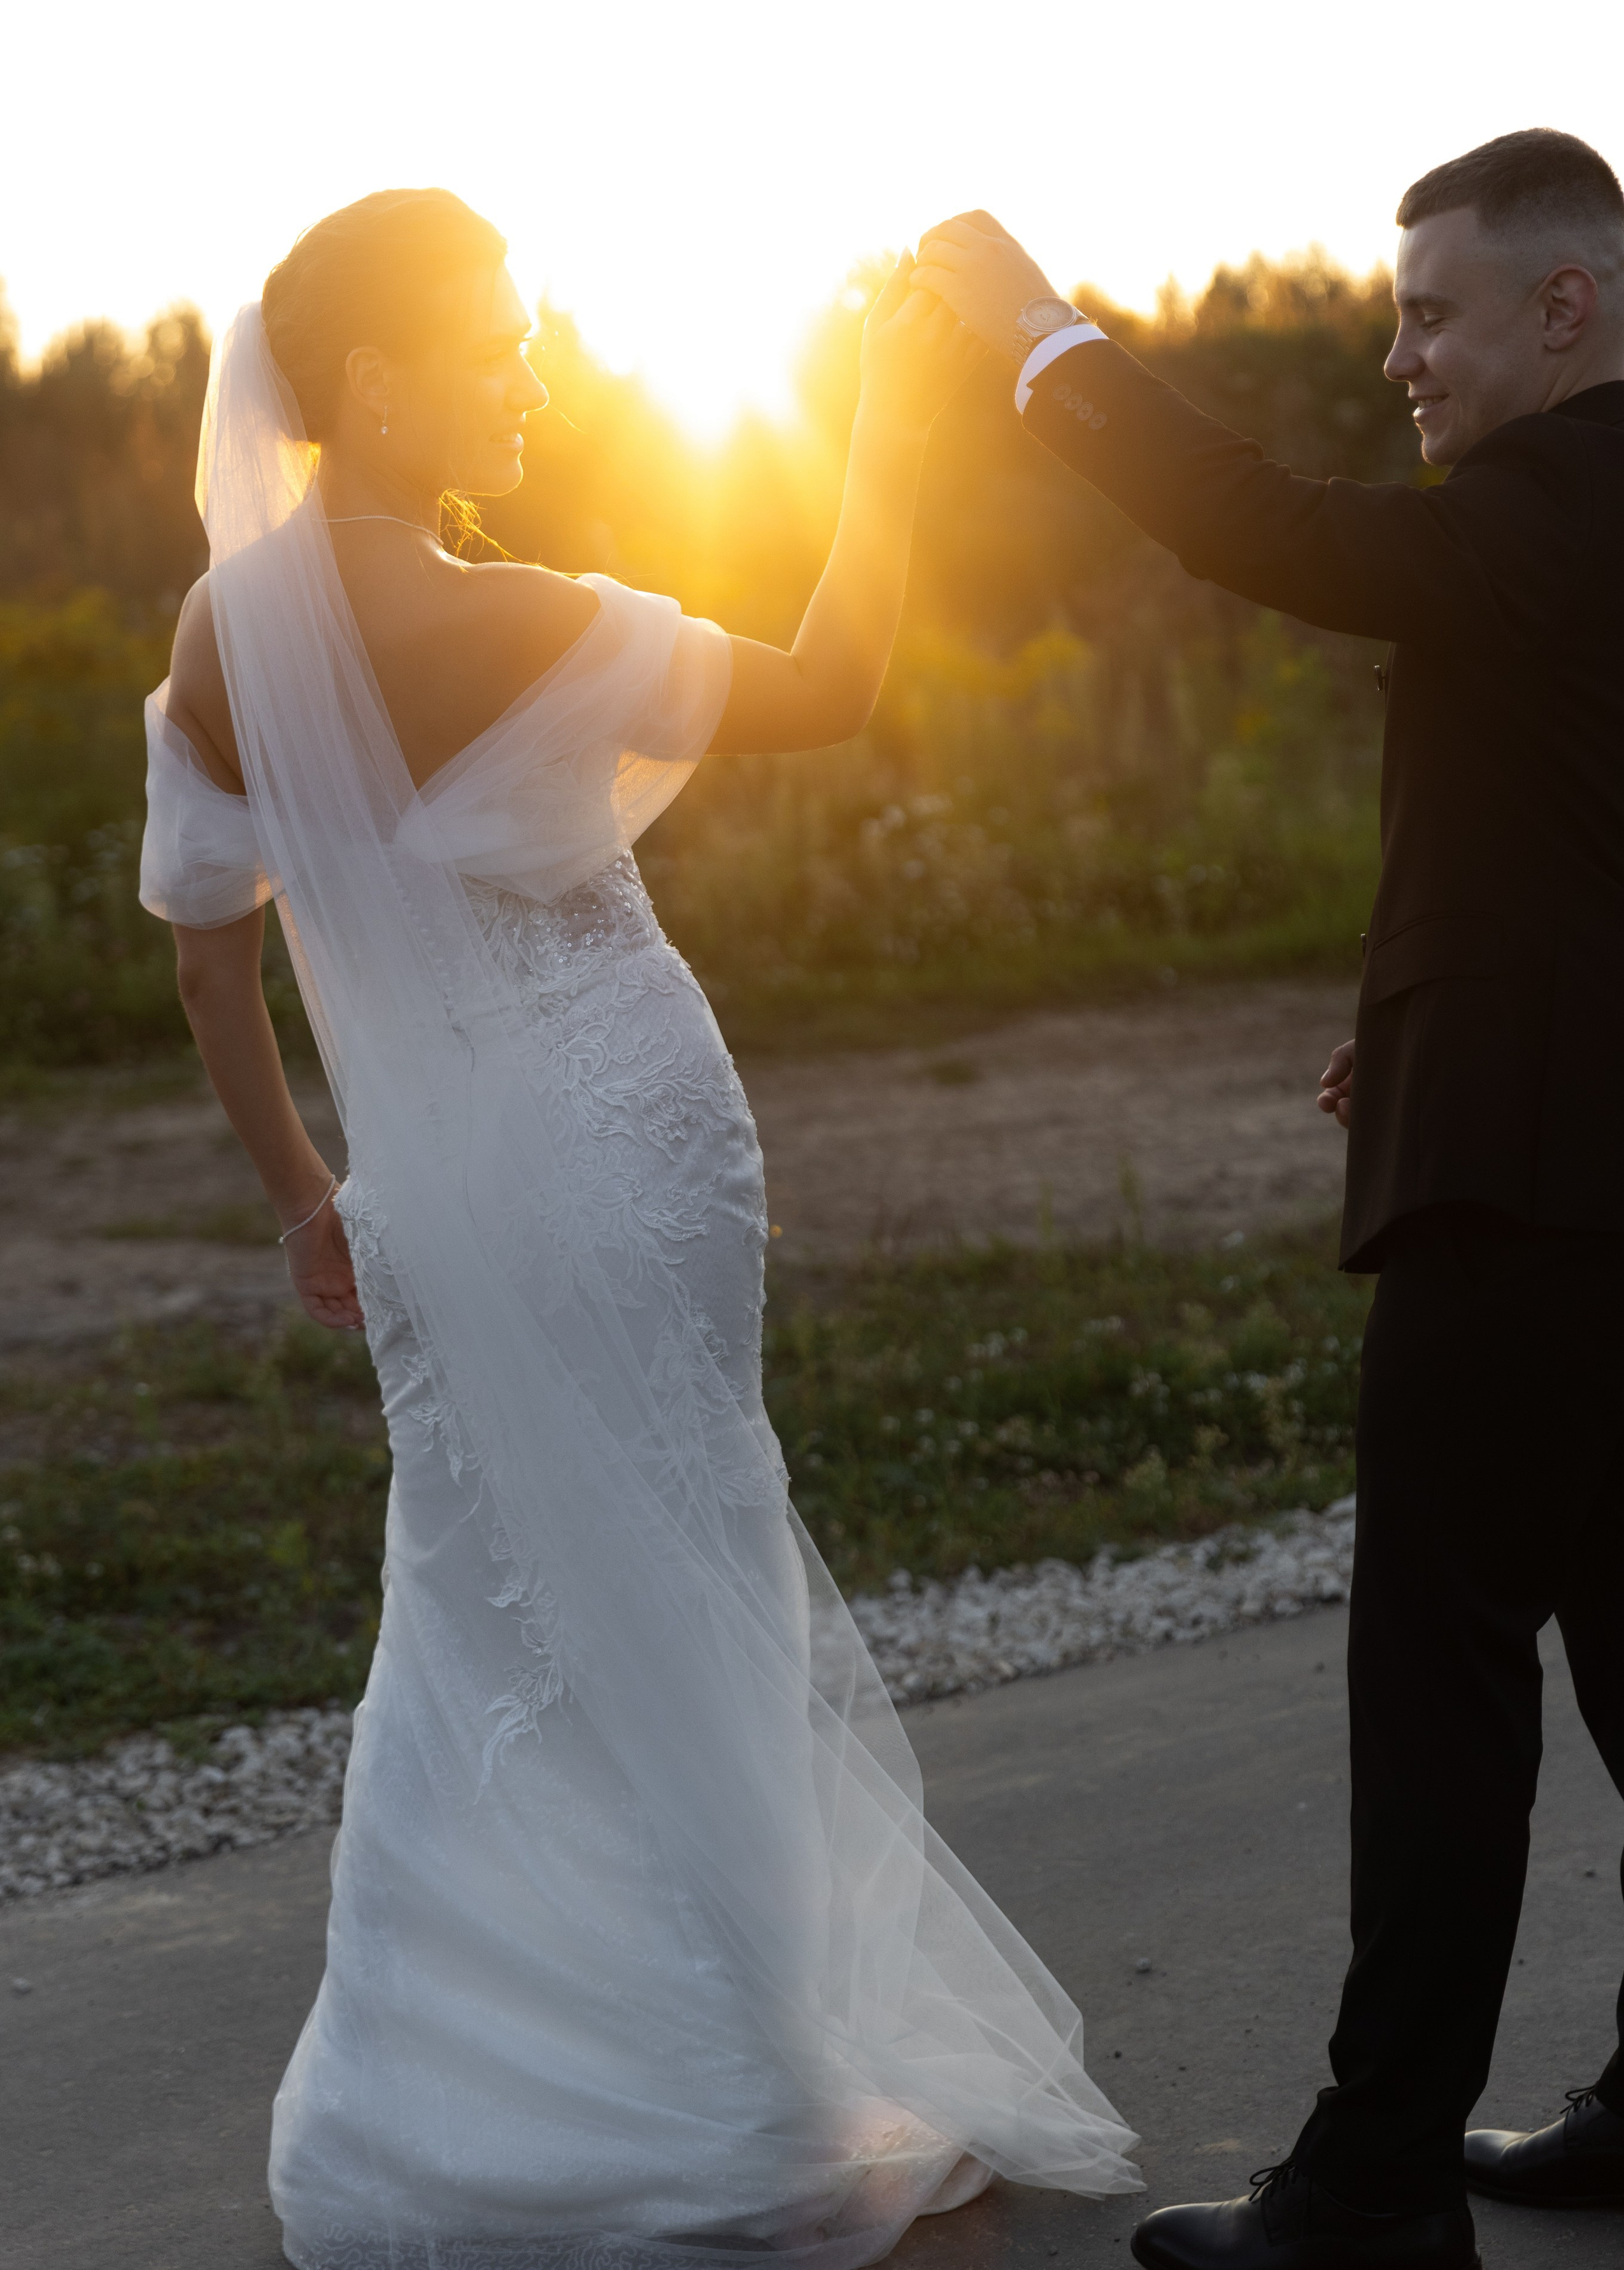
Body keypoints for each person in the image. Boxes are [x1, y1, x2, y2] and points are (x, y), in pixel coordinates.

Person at [139, 187, 1139, 2270]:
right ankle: (724, 2102)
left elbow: (209, 964)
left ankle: (434, 2125)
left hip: (432, 1203)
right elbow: (838, 677)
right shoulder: (524, 623)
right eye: (497, 331)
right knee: (684, 1578)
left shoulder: (222, 633)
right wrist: (883, 418)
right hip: (625, 1169)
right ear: (384, 380)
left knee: (483, 1597)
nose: (532, 359)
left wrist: (307, 1202)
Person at [915, 128, 1624, 2270]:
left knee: (1438, 1686)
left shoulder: (1552, 501)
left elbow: (1259, 528)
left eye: (1427, 311)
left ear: (1564, 310)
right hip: (1577, 1150)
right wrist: (1433, 1039)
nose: (1396, 354)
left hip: (1526, 1211)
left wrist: (1033, 334)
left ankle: (1374, 2187)